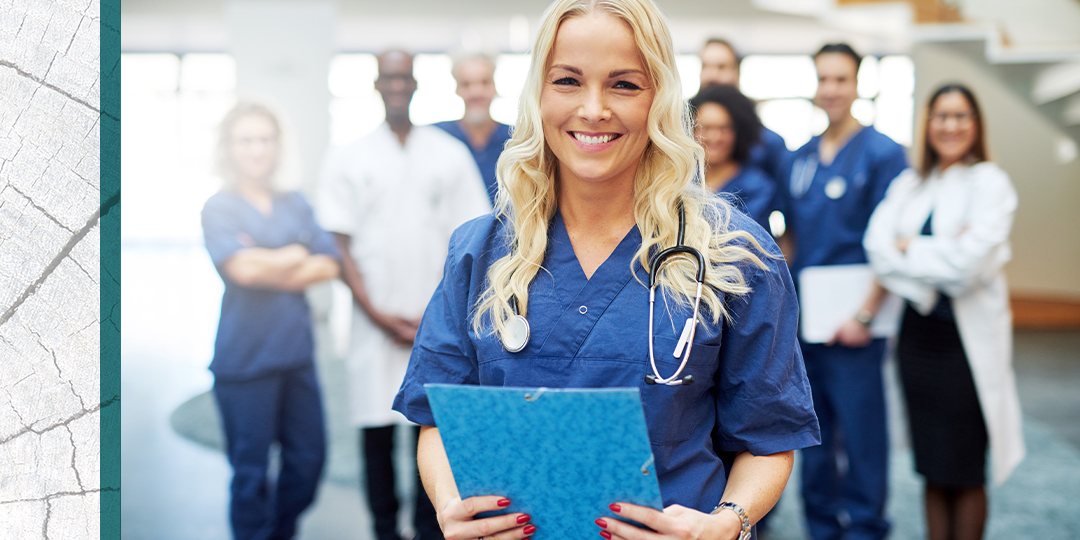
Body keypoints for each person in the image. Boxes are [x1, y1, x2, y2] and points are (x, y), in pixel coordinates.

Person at [393, 2, 821, 540]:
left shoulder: (732, 254)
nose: (593, 109)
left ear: (660, 99)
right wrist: (451, 504)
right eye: (568, 81)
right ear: (538, 96)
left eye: (624, 85)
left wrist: (725, 524)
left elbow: (768, 436)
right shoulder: (481, 250)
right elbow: (437, 416)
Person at [317, 49, 492, 540]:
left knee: (430, 430)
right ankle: (383, 529)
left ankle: (425, 527)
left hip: (435, 324)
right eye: (388, 77)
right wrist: (378, 315)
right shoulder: (348, 155)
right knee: (374, 434)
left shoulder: (446, 153)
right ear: (377, 84)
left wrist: (433, 320)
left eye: (404, 77)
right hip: (373, 326)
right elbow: (340, 245)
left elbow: (471, 240)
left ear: (415, 84)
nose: (397, 86)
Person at [863, 84, 1025, 540]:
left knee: (967, 469)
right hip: (918, 343)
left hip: (966, 347)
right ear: (927, 123)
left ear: (976, 125)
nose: (950, 126)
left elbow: (968, 268)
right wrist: (942, 252)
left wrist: (910, 245)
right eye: (941, 116)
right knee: (932, 465)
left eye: (961, 116)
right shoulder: (911, 184)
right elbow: (878, 250)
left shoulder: (991, 183)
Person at [784, 43, 909, 540]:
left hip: (858, 320)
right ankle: (821, 527)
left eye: (841, 79)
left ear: (857, 85)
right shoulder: (802, 157)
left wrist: (865, 316)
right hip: (809, 321)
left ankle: (865, 528)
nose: (831, 89)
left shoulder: (883, 154)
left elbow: (892, 241)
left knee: (861, 436)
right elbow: (791, 232)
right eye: (823, 79)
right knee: (811, 433)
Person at [201, 102, 341, 540]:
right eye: (246, 139)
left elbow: (330, 266)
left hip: (295, 355)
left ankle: (278, 534)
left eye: (265, 139)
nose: (256, 149)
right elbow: (242, 271)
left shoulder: (296, 202)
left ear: (277, 146)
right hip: (244, 361)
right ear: (229, 147)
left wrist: (265, 261)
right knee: (251, 474)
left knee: (309, 460)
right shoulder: (218, 208)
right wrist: (295, 253)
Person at [698, 38, 790, 194]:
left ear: (737, 73)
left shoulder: (768, 143)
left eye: (721, 67)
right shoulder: (681, 135)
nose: (712, 75)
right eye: (706, 66)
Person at [689, 84, 777, 230]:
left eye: (724, 128)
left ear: (739, 133)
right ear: (691, 130)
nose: (715, 137)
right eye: (706, 128)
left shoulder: (756, 187)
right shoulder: (680, 181)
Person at [435, 52, 514, 205]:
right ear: (457, 89)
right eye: (466, 84)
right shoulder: (438, 137)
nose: (476, 92)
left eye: (484, 83)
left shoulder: (518, 139)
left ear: (495, 87)